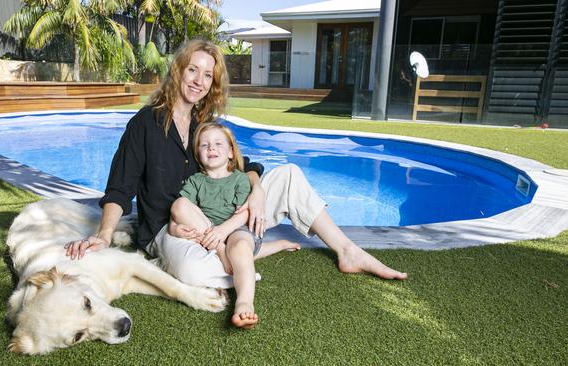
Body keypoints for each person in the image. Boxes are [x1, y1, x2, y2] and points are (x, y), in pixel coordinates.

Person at [65, 37, 406, 318]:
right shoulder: (145, 123)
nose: (199, 81)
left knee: (288, 174)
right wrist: (105, 235)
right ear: (178, 71)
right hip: (170, 229)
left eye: (208, 75)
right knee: (195, 274)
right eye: (193, 70)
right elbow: (120, 187)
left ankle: (347, 251)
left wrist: (256, 191)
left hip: (225, 217)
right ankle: (243, 254)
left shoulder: (204, 123)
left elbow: (244, 164)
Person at [169, 122, 299, 328]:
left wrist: (222, 231)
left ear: (231, 152)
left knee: (239, 248)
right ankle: (227, 250)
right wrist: (174, 229)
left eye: (218, 144)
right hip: (209, 230)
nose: (211, 148)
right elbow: (181, 210)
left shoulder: (239, 179)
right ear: (198, 155)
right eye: (204, 145)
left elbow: (245, 213)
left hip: (238, 229)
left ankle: (244, 301)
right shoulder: (195, 181)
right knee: (178, 204)